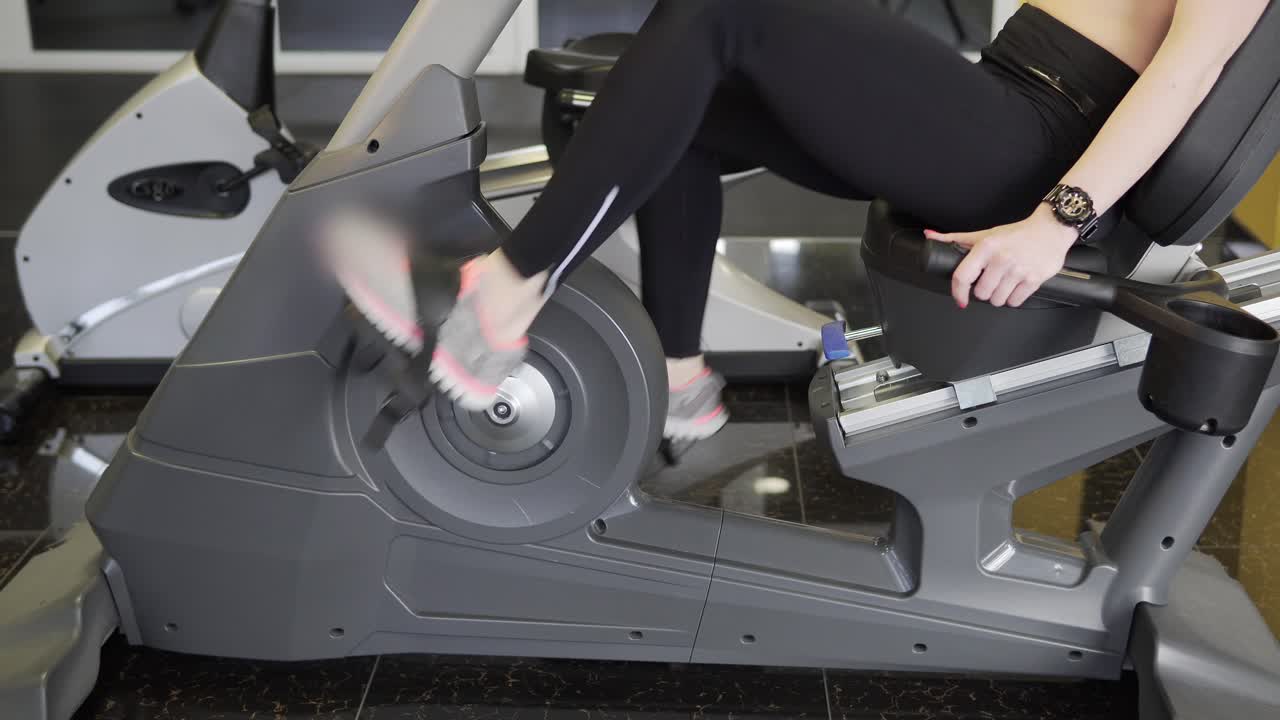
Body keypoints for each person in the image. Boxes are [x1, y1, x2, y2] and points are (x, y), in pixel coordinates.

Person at [323, 0, 1267, 441]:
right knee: (686, 97)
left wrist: (1056, 222)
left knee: (721, 12)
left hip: (1035, 147)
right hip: (1006, 94)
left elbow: (1185, 74)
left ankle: (505, 295)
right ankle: (680, 378)